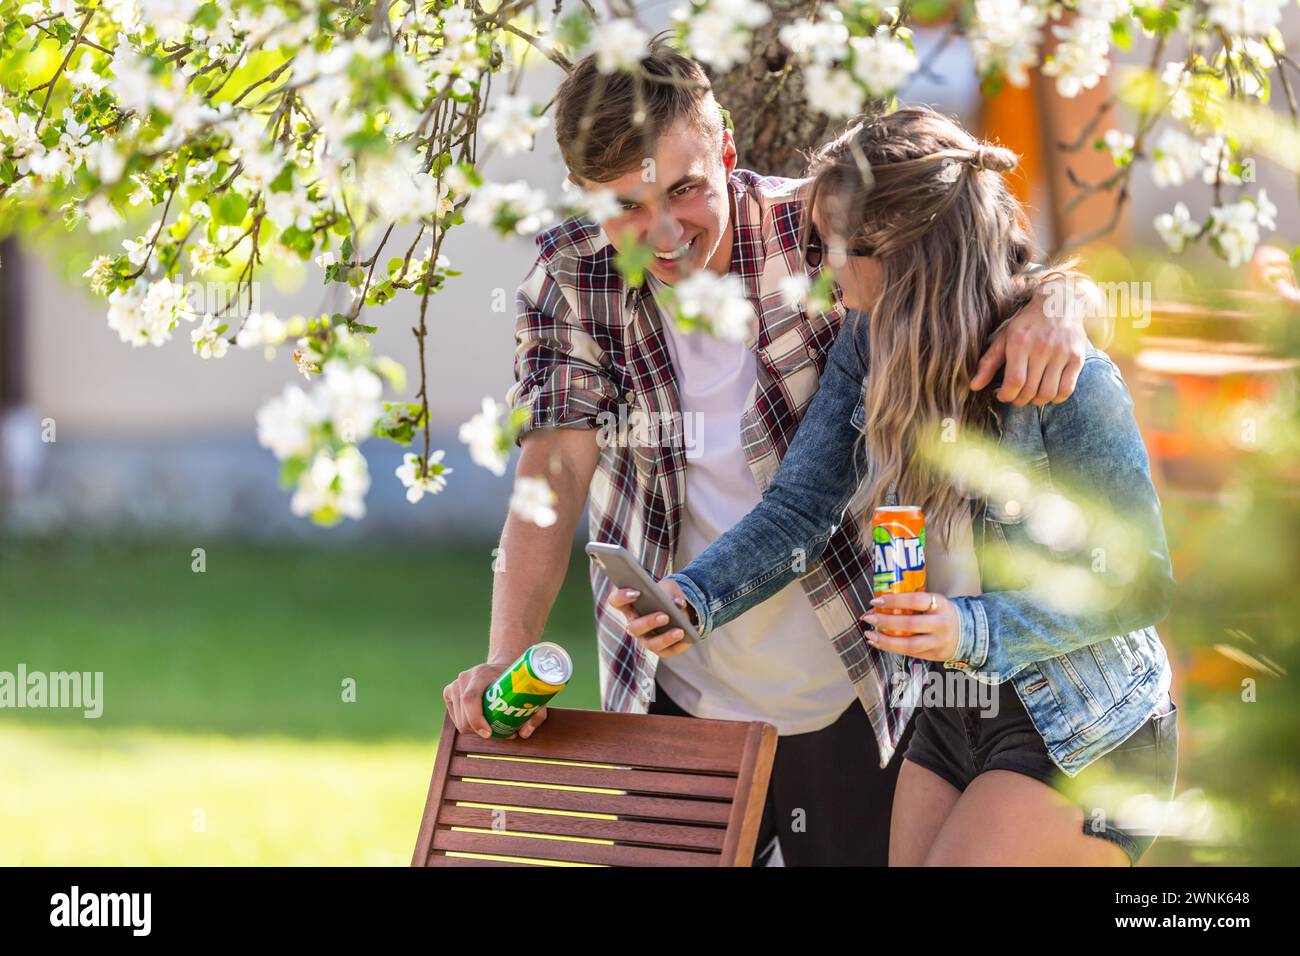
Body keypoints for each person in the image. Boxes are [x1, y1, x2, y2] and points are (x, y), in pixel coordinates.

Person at [443, 44, 1098, 866]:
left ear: (725, 151)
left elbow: (987, 275)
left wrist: (1065, 300)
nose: (666, 231)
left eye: (684, 189)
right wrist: (506, 658)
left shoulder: (824, 228)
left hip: (857, 677)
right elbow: (555, 472)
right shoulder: (570, 276)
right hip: (677, 686)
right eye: (627, 206)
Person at [618, 106, 1178, 865]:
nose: (822, 269)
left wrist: (966, 628)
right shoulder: (870, 345)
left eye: (836, 249)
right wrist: (697, 596)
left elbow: (1139, 586)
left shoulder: (1063, 378)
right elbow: (801, 511)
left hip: (1084, 724)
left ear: (905, 252)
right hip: (950, 715)